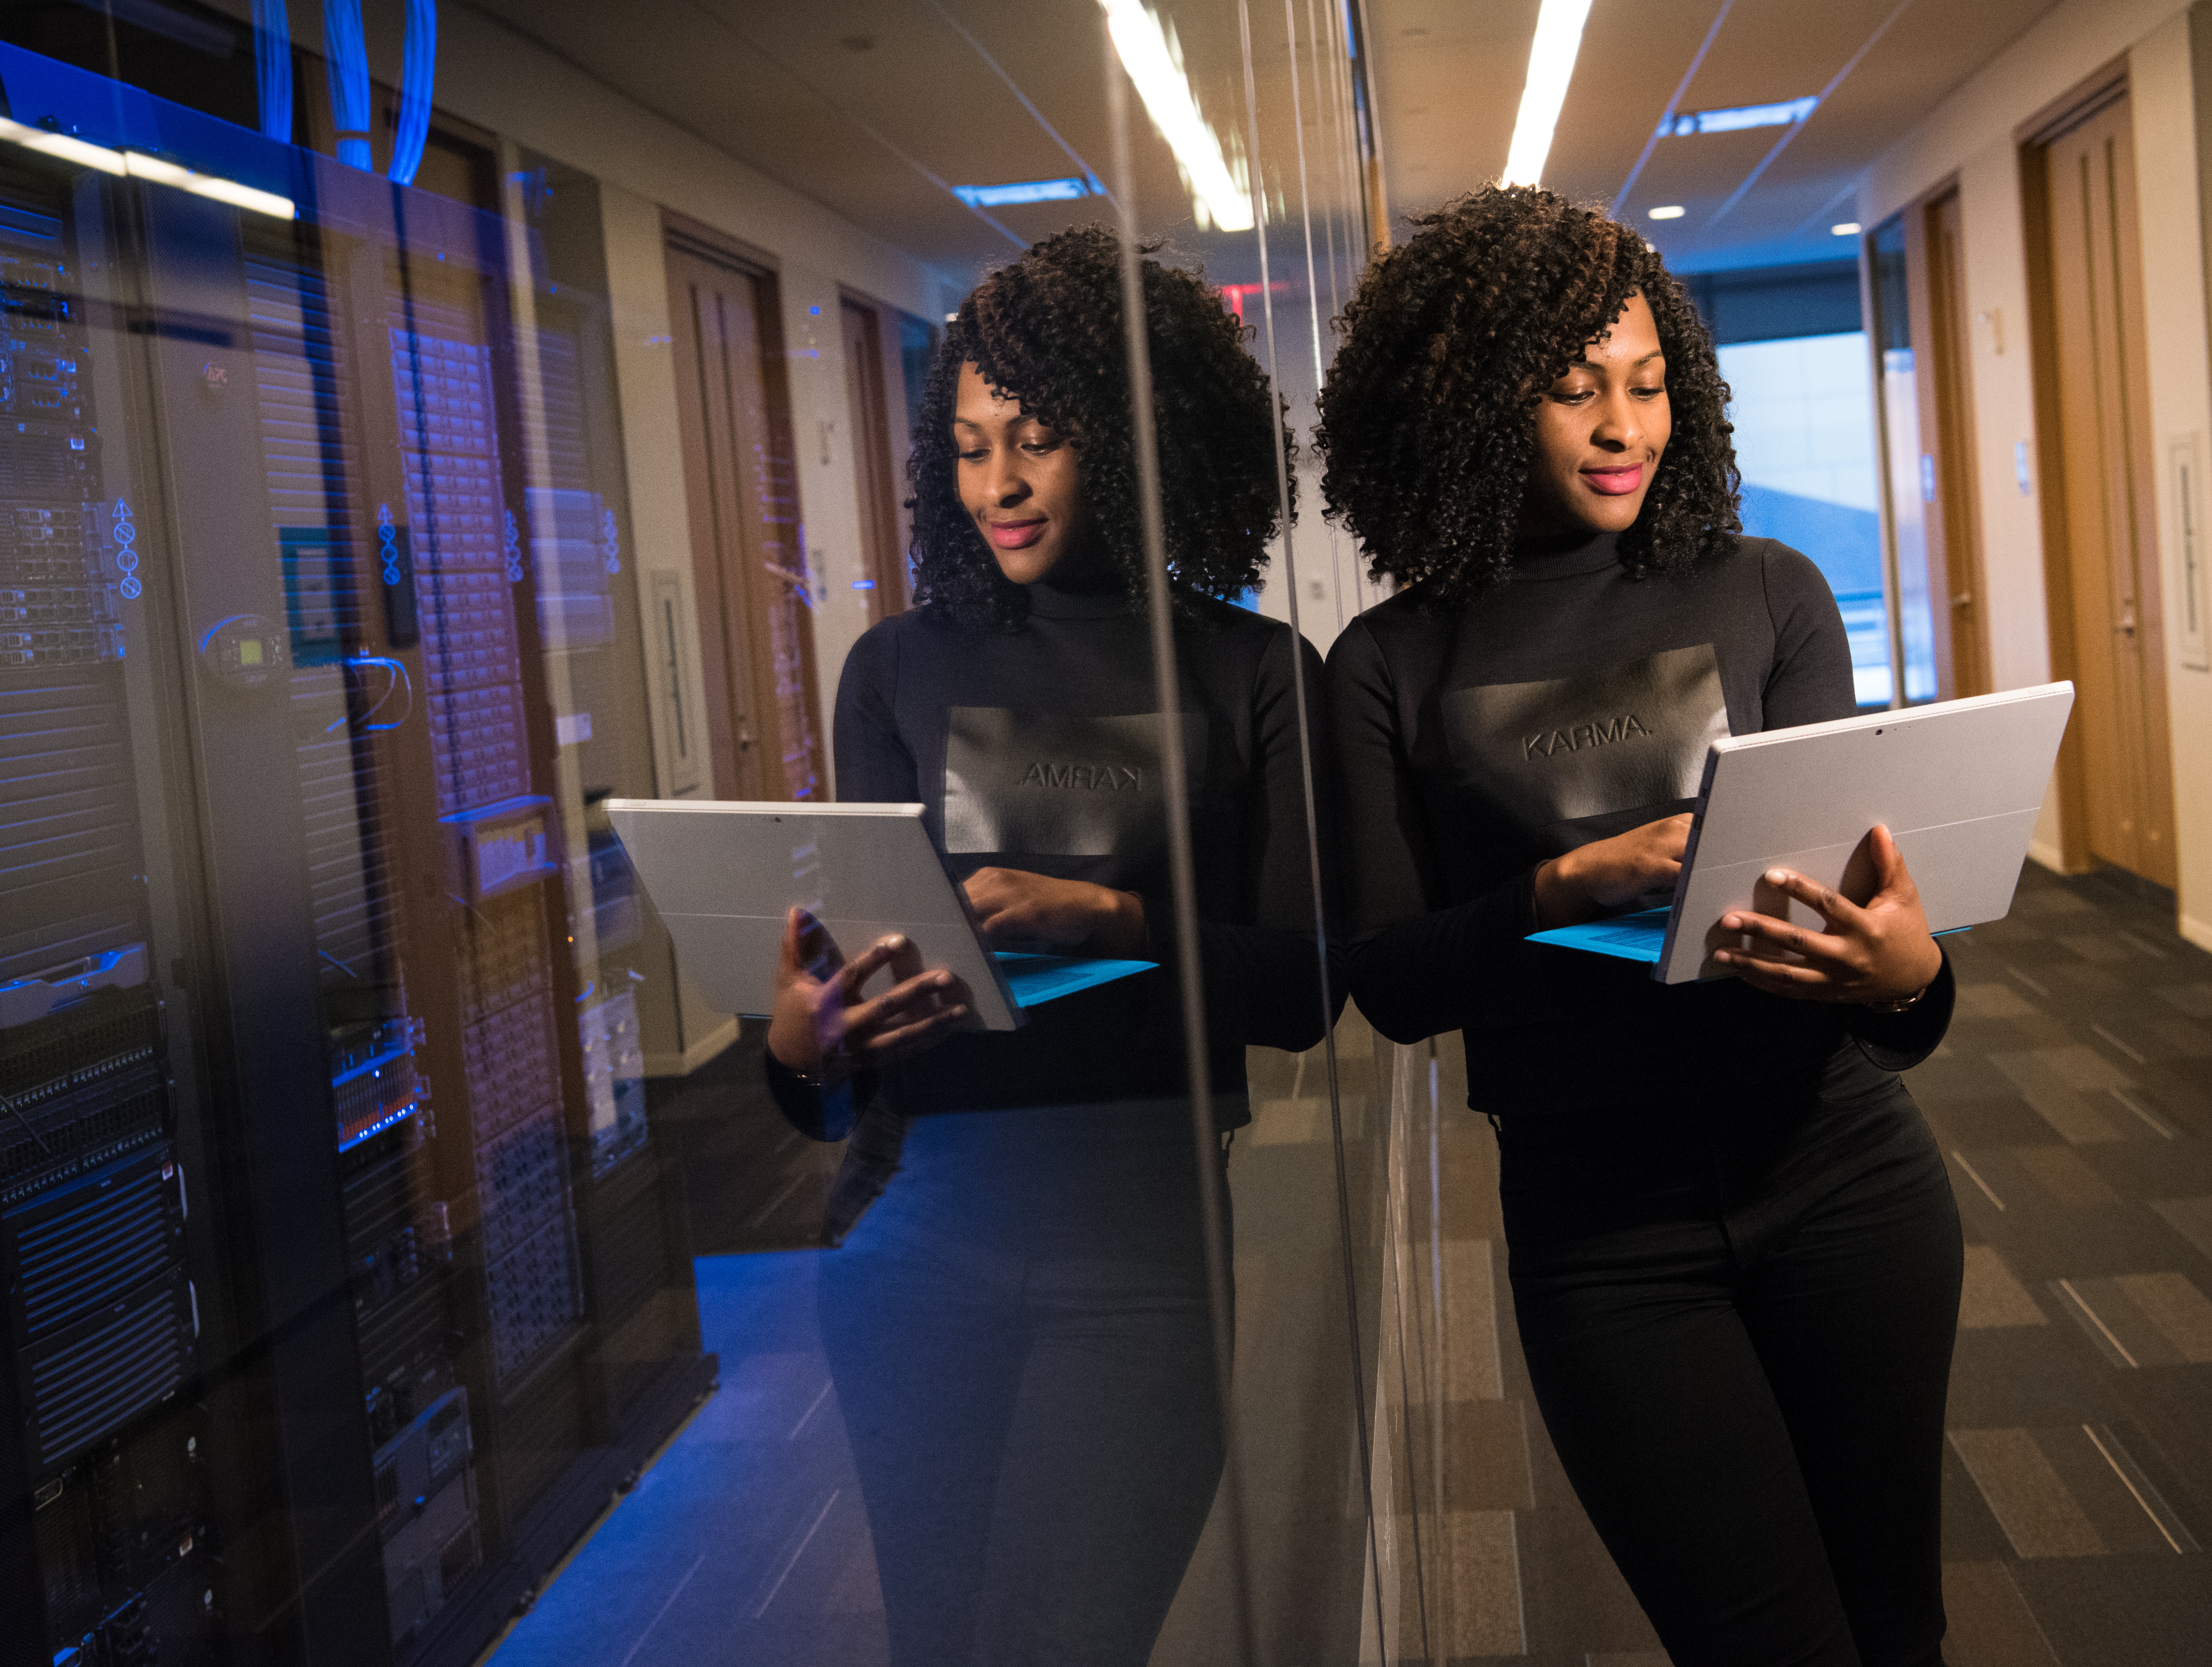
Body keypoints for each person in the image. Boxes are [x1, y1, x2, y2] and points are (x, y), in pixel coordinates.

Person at [1317, 185, 1962, 1667]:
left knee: (1898, 1630)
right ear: (1477, 407)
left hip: (1847, 1177)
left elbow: (1871, 939)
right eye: (1573, 389)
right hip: (1606, 1238)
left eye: (1650, 383)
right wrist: (1560, 890)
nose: (1624, 424)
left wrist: (1912, 976)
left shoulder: (1770, 593)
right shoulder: (1390, 662)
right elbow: (1394, 983)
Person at [760, 225, 1337, 1667]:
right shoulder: (898, 668)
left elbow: (1308, 986)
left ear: (1140, 441)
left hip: (1138, 1245)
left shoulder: (1254, 675)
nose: (999, 484)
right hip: (909, 1234)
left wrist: (1119, 920)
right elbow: (853, 1029)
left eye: (1036, 440)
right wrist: (799, 1051)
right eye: (967, 447)